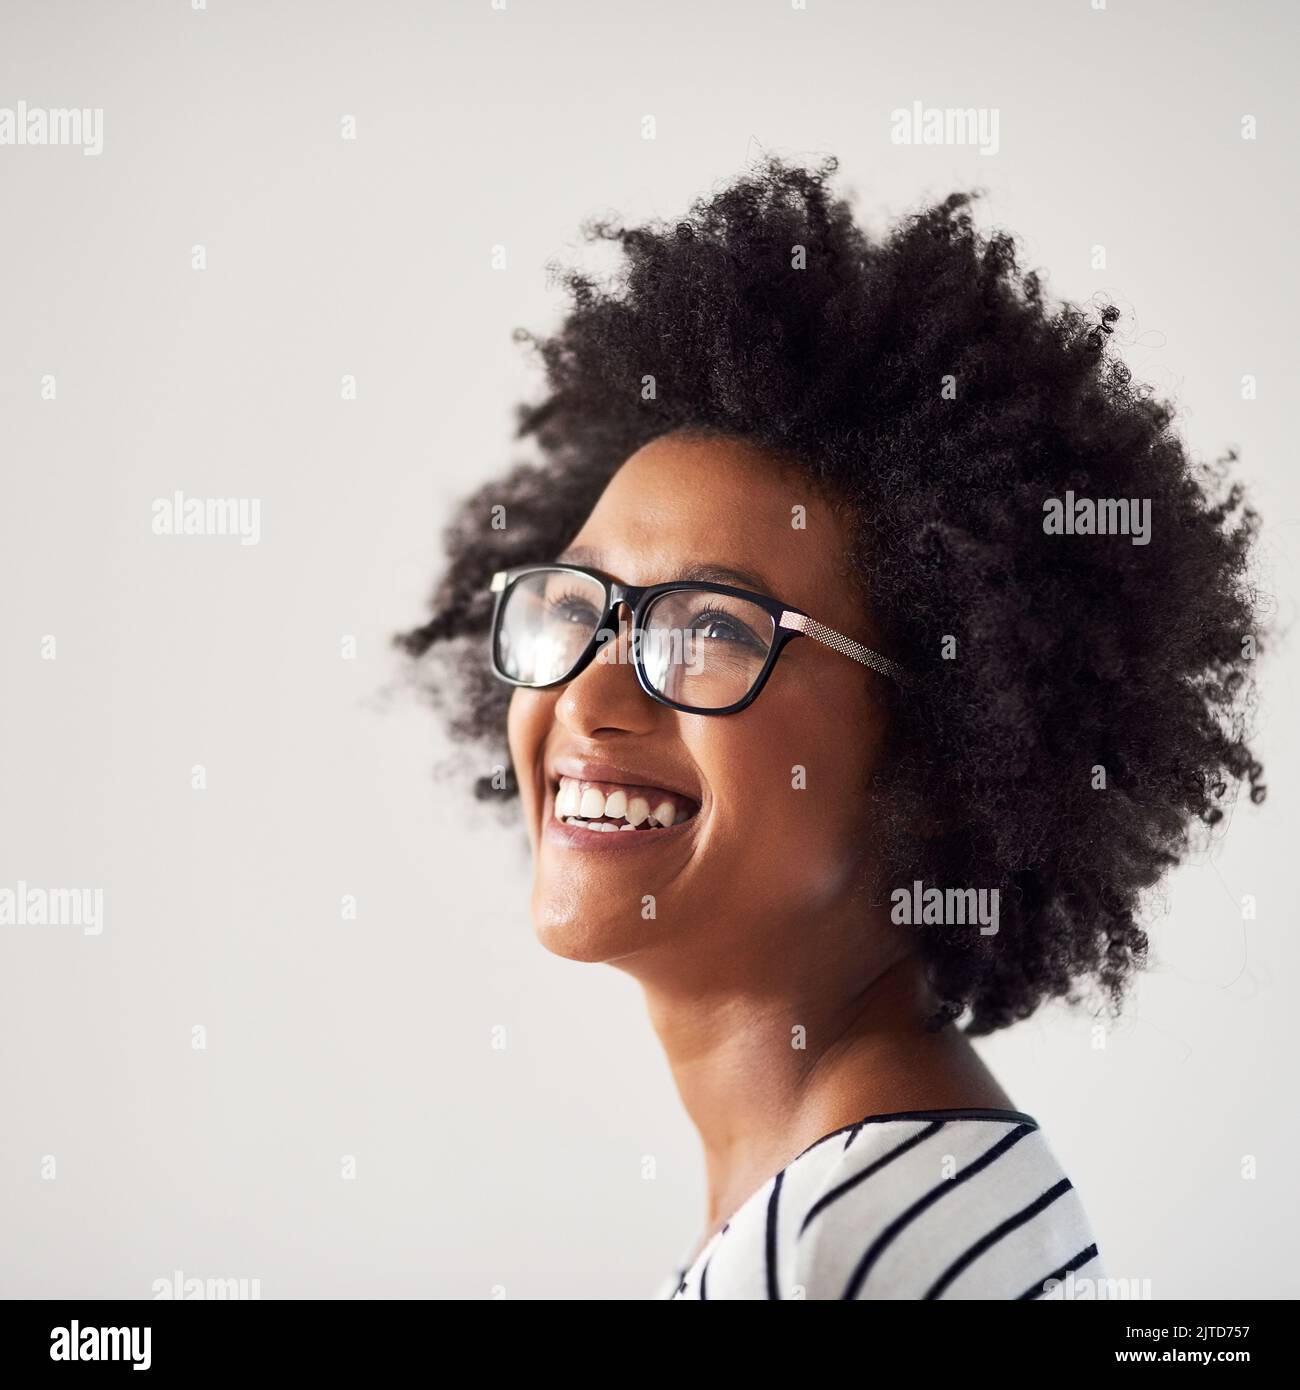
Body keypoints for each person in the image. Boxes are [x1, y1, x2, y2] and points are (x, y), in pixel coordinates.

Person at [398, 154, 1266, 1299]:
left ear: (943, 750)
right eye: (576, 604)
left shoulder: (844, 1250)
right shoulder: (885, 1204)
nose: (591, 700)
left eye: (709, 631)